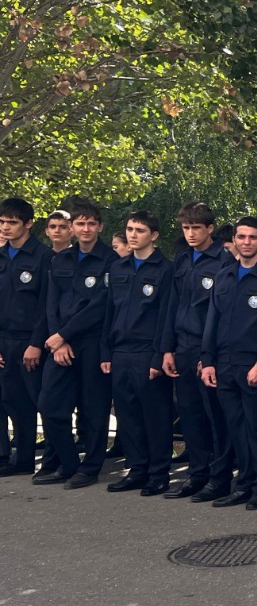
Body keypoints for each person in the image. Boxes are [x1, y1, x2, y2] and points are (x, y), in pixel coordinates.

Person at [200, 217, 257, 509]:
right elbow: (212, 321)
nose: (246, 242)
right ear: (234, 240)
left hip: (255, 364)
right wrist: (207, 360)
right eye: (241, 237)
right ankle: (243, 484)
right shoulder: (224, 275)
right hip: (224, 364)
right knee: (235, 428)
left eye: (252, 237)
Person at [36, 200, 116, 489]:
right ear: (72, 228)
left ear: (100, 227)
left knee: (94, 409)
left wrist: (64, 335)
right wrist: (58, 340)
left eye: (91, 223)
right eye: (80, 224)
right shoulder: (60, 260)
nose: (85, 229)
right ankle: (69, 464)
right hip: (60, 344)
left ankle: (90, 468)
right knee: (50, 405)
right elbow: (51, 304)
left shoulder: (111, 261)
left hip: (92, 343)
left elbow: (100, 306)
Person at [100, 211, 175, 495]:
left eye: (140, 230)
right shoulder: (118, 268)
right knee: (127, 414)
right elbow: (109, 312)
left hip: (147, 351)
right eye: (130, 229)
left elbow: (166, 317)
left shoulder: (165, 269)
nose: (133, 235)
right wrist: (105, 352)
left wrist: (159, 355)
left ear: (154, 235)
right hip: (120, 351)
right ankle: (137, 468)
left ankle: (158, 473)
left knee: (154, 415)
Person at [163, 203, 232, 501]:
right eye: (186, 228)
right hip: (183, 346)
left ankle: (220, 478)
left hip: (209, 351)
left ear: (210, 229)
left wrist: (210, 355)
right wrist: (167, 349)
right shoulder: (182, 261)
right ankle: (197, 474)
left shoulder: (224, 261)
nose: (190, 233)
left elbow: (225, 314)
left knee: (213, 416)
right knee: (189, 415)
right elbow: (172, 308)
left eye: (196, 228)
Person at [0, 198, 51, 478]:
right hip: (4, 340)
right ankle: (22, 459)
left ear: (28, 224)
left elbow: (46, 305)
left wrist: (35, 343)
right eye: (2, 222)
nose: (6, 227)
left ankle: (52, 459)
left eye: (12, 222)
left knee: (40, 402)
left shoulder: (43, 257)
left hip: (31, 341)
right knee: (12, 401)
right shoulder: (0, 255)